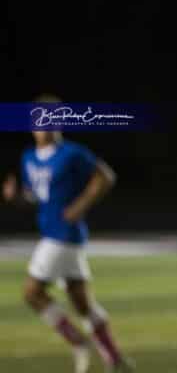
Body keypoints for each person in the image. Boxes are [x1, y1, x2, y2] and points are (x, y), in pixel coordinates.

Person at [1, 95, 133, 373]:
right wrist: (15, 197)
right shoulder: (28, 157)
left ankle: (78, 343)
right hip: (56, 235)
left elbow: (105, 176)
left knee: (32, 292)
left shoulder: (71, 153)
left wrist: (80, 205)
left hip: (62, 235)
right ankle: (114, 359)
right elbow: (34, 197)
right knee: (82, 303)